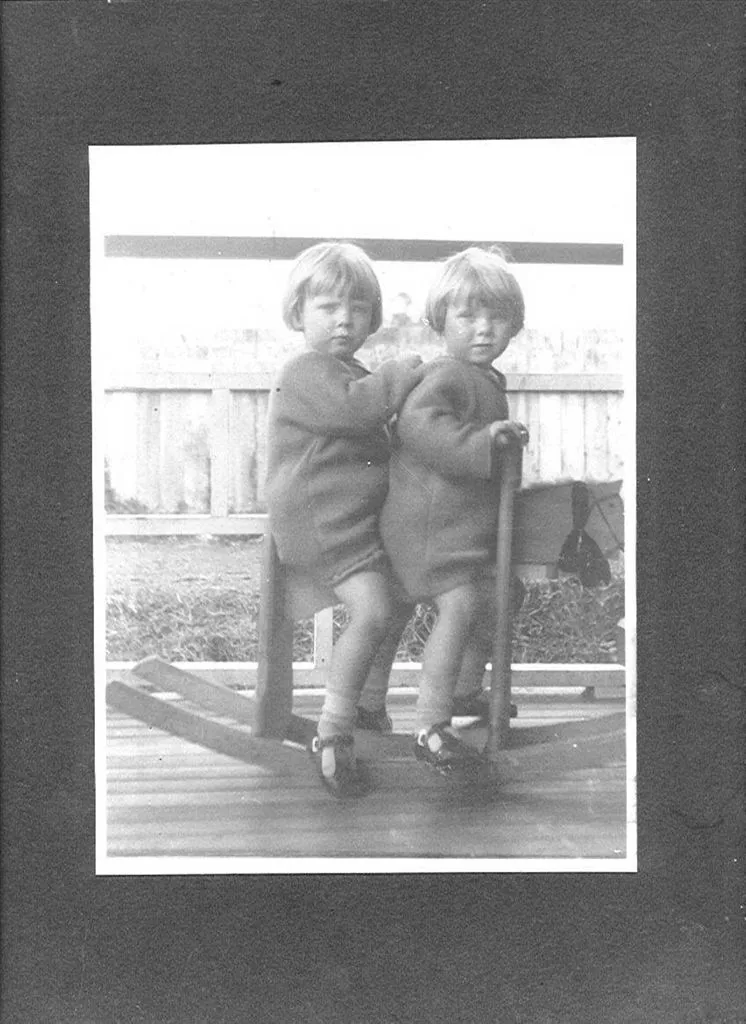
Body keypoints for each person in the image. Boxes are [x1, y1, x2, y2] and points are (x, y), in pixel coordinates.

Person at [266, 241, 423, 796]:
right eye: (328, 308)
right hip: (318, 522)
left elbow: (376, 424)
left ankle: (368, 706)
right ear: (298, 313)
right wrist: (400, 374)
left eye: (357, 309)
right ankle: (333, 729)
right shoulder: (307, 370)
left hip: (349, 523)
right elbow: (356, 408)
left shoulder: (349, 371)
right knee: (375, 608)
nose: (344, 320)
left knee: (399, 598)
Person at [380, 247, 529, 773]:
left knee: (500, 595)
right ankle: (430, 724)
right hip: (424, 531)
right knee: (463, 605)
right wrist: (484, 440)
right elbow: (423, 432)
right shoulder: (445, 375)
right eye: (468, 316)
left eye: (497, 317)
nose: (484, 329)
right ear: (441, 319)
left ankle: (465, 690)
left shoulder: (483, 380)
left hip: (456, 531)